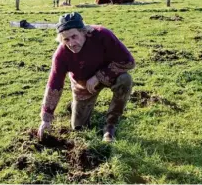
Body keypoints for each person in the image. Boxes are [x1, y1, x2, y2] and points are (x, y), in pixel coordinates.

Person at [37, 12, 135, 142]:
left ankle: (111, 125)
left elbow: (128, 61)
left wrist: (98, 77)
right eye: (66, 39)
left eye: (74, 36)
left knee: (125, 80)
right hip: (83, 84)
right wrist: (46, 118)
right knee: (78, 128)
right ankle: (75, 108)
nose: (71, 43)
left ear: (84, 32)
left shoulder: (102, 35)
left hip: (110, 75)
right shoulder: (61, 55)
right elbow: (54, 84)